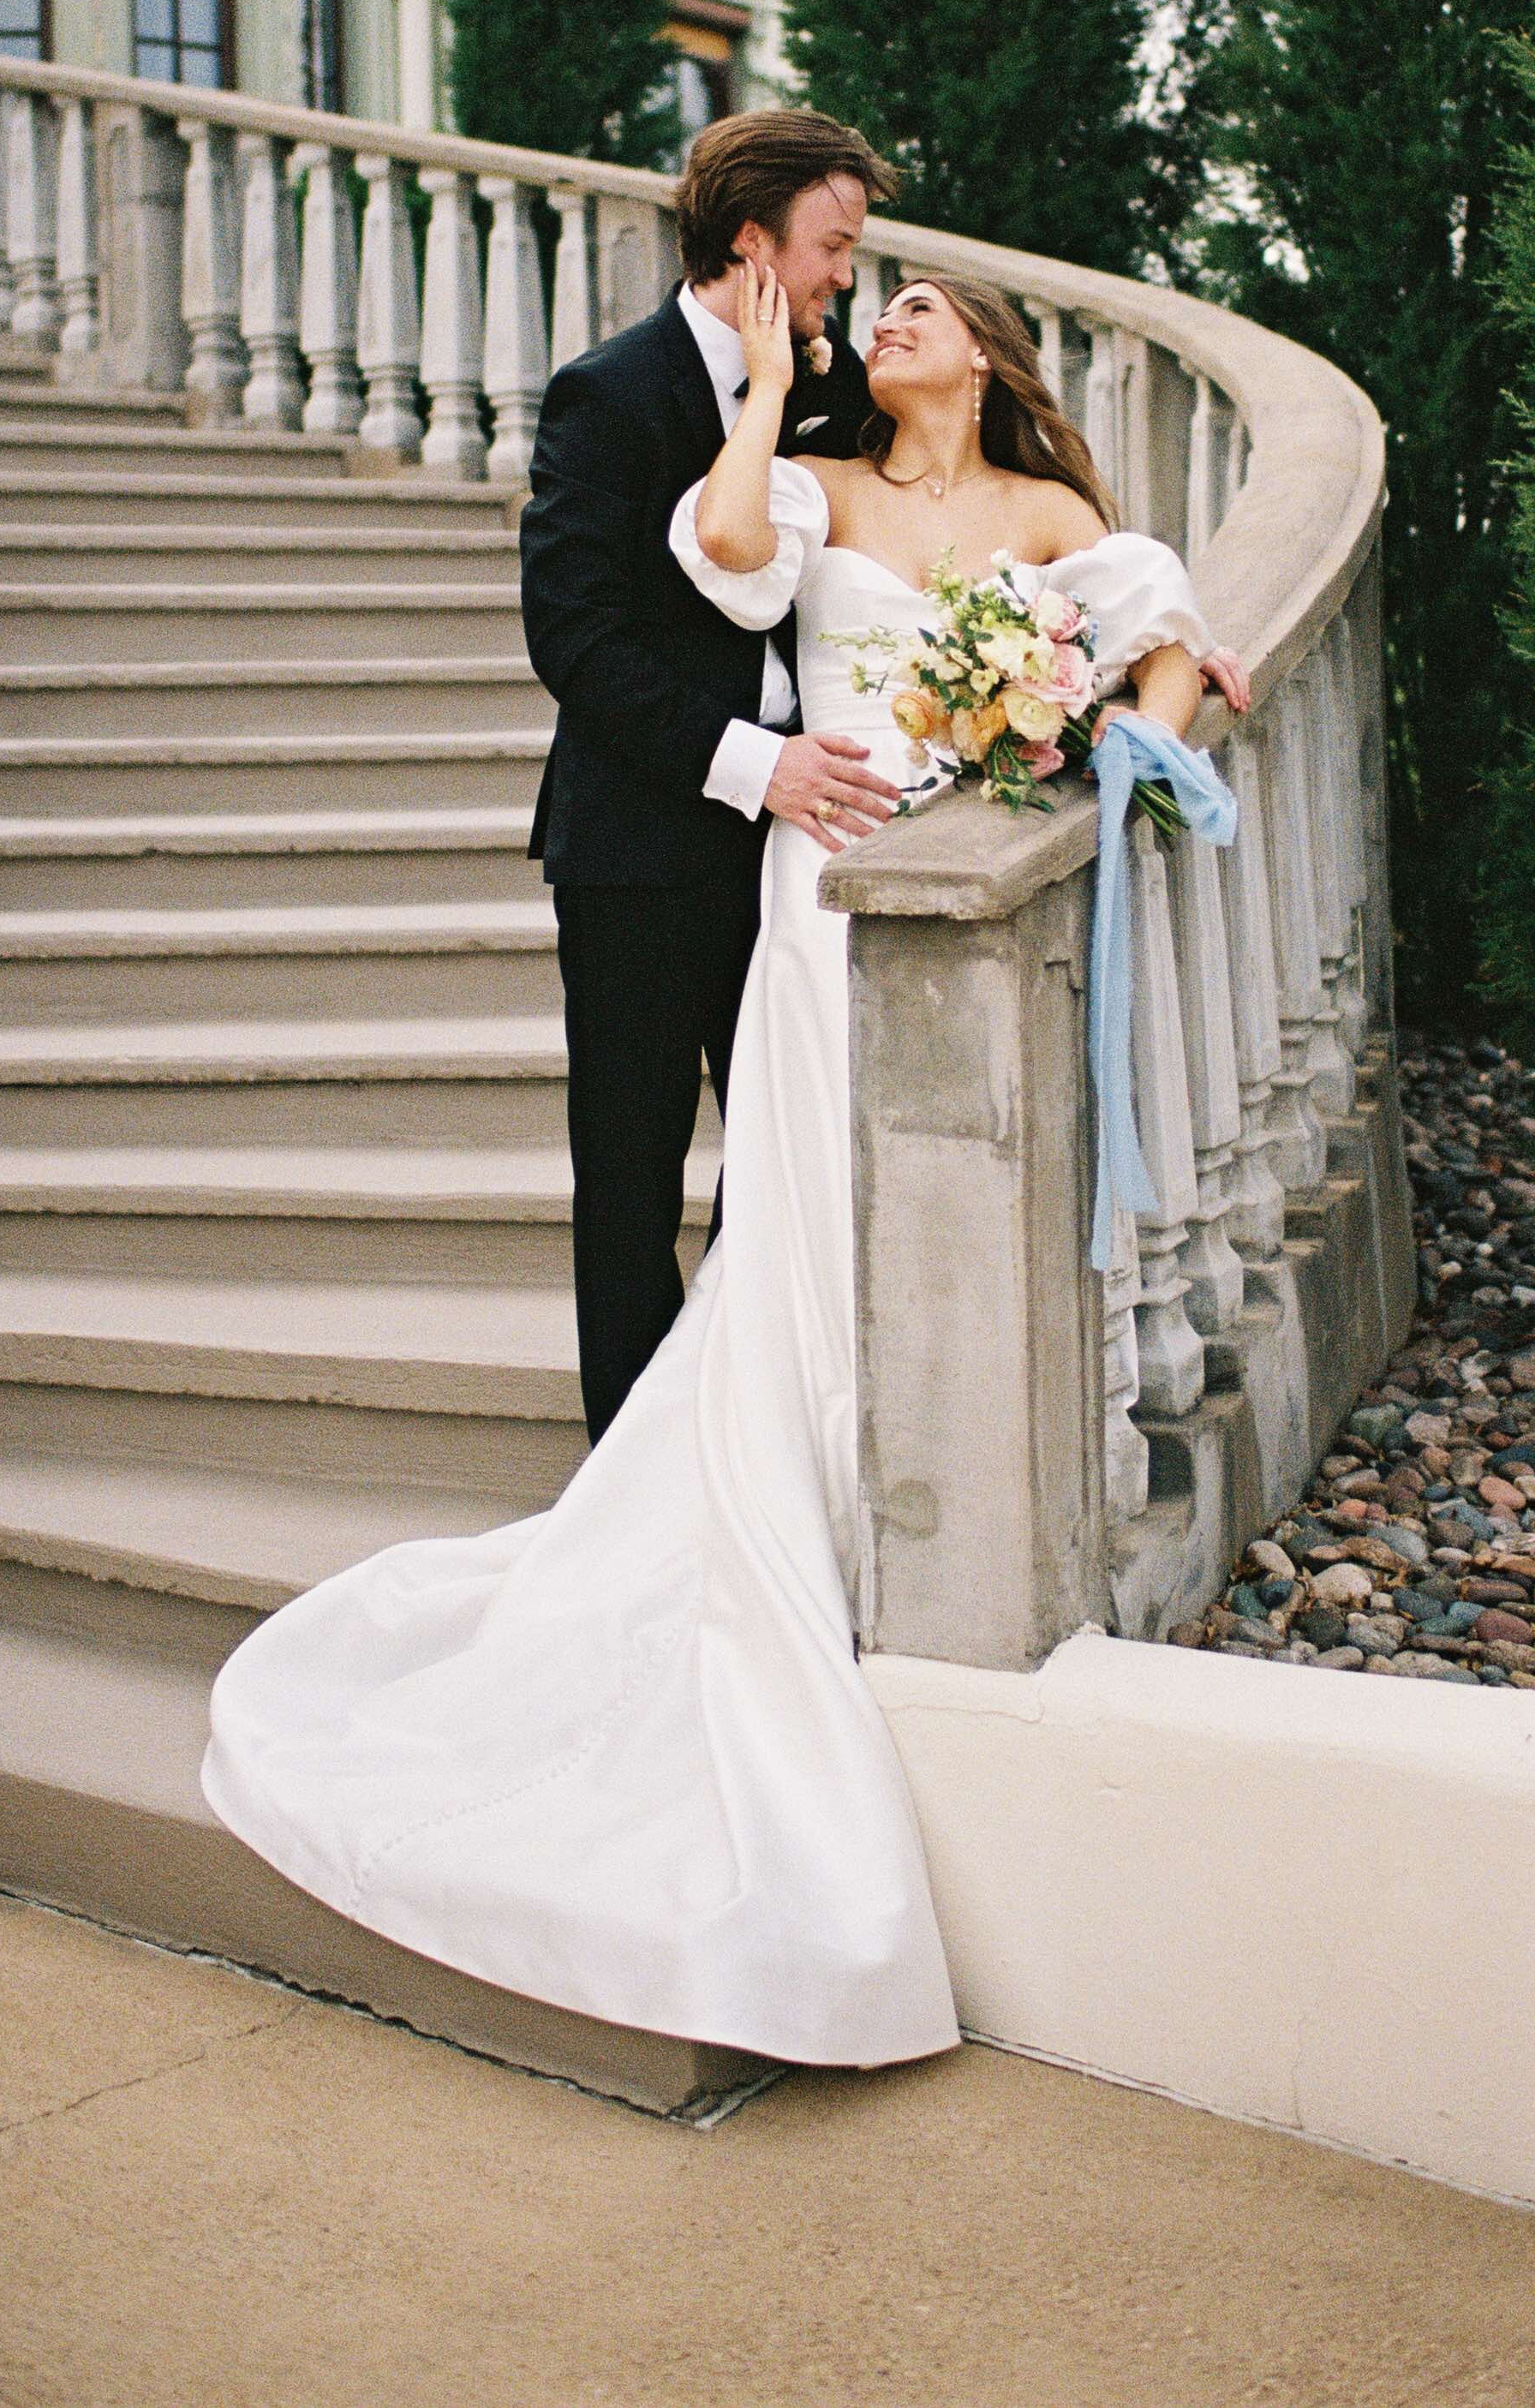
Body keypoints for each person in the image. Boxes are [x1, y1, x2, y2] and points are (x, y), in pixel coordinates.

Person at [201, 259, 1246, 2071]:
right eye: (883, 293)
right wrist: (768, 387)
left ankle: (892, 1481)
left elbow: (1152, 625)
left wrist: (1124, 713)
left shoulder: (1048, 506)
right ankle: (808, 1500)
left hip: (956, 877)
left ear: (991, 357)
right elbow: (720, 555)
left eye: (925, 304)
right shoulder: (822, 481)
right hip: (819, 880)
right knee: (794, 1206)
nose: (894, 312)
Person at [517, 108, 903, 1448]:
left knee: (788, 1162)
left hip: (799, 863)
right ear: (751, 241)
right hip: (636, 853)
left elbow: (956, 502)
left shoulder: (836, 379)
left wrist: (1148, 621)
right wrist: (758, 767)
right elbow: (571, 636)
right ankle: (634, 1476)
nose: (844, 279)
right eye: (831, 249)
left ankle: (748, 1438)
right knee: (627, 1186)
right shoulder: (607, 395)